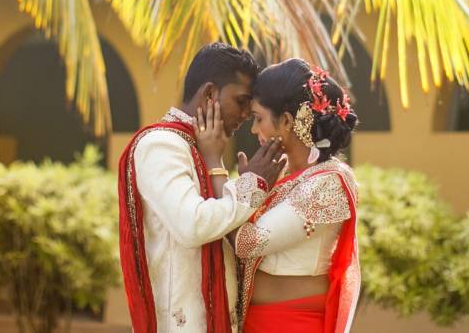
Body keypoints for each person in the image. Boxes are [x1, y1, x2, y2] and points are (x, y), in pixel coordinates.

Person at [118, 43, 287, 333]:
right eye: (241, 101)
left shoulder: (202, 147)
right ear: (210, 94)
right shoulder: (161, 145)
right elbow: (192, 224)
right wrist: (253, 186)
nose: (246, 114)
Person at [233, 59, 360, 333]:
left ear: (287, 121)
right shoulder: (279, 172)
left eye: (258, 118)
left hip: (292, 323)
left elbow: (247, 243)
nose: (253, 130)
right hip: (260, 321)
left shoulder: (329, 182)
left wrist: (225, 175)